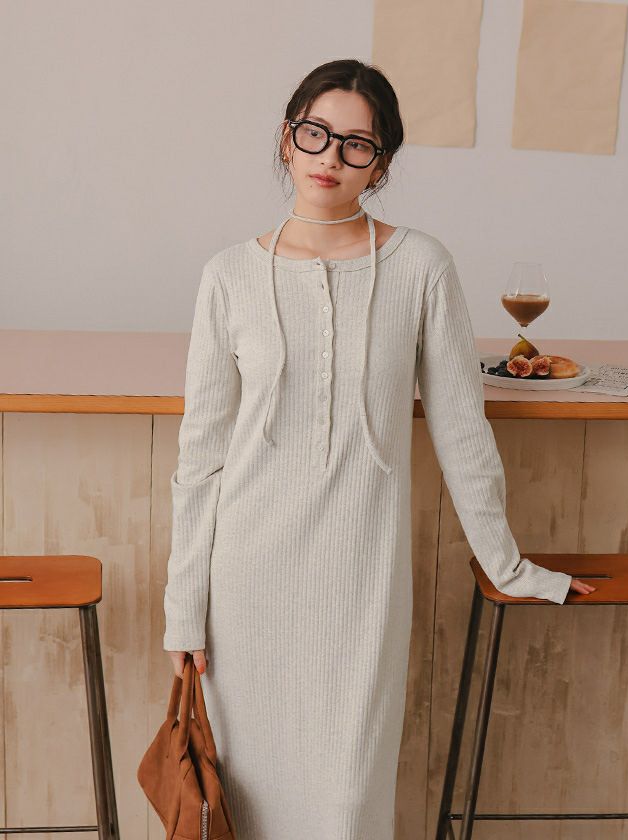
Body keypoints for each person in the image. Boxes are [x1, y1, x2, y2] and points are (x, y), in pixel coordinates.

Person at [162, 58, 596, 840]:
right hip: (246, 585)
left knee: (347, 804)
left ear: (382, 163)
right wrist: (184, 609)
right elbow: (201, 458)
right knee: (246, 807)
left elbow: (462, 428)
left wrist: (507, 564)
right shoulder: (228, 276)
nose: (330, 157)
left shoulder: (421, 267)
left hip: (361, 582)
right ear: (287, 139)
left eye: (356, 144)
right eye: (315, 134)